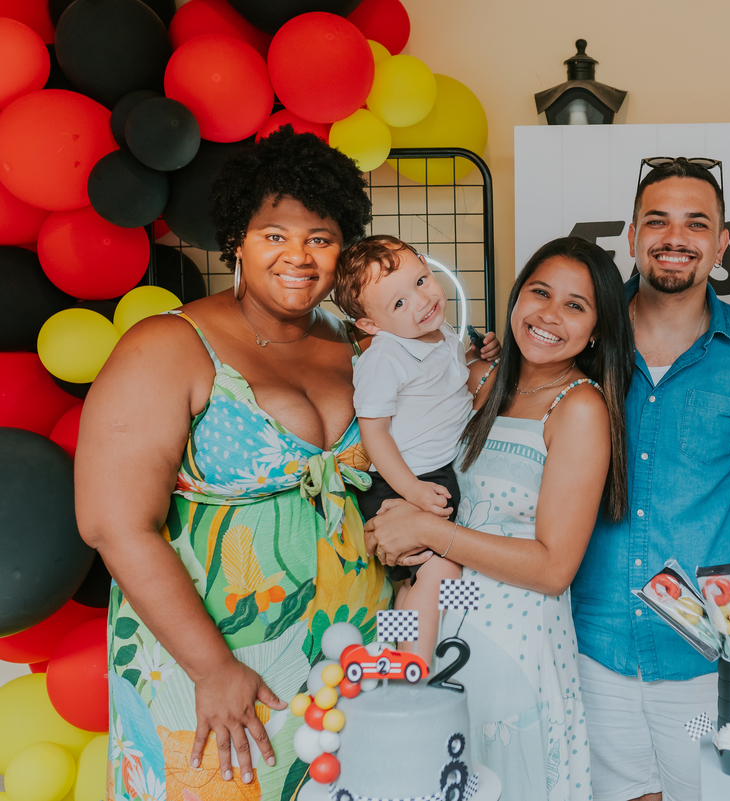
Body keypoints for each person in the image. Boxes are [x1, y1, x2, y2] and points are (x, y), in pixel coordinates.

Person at [76, 128, 393, 797]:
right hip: (218, 664)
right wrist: (211, 667)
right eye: (274, 234)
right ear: (236, 240)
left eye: (321, 237)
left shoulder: (359, 345)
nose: (298, 256)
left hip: (352, 656)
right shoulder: (169, 345)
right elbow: (114, 524)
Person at [363, 236, 633, 801]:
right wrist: (390, 526)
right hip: (438, 622)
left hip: (513, 648)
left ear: (597, 329)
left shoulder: (579, 408)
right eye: (539, 292)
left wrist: (428, 530)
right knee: (412, 764)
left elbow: (554, 569)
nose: (549, 315)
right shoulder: (477, 380)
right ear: (516, 297)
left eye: (575, 305)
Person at [571, 156, 730, 801]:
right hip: (592, 639)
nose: (676, 237)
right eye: (658, 220)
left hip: (711, 650)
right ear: (632, 237)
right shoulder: (582, 340)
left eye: (697, 223)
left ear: (722, 246)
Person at [331, 235, 497, 663]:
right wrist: (412, 491)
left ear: (426, 264)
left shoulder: (438, 332)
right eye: (399, 304)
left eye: (421, 281)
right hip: (402, 482)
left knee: (416, 581)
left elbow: (449, 380)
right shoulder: (384, 358)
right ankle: (417, 671)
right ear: (371, 325)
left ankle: (395, 650)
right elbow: (375, 435)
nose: (422, 302)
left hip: (437, 473)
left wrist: (477, 355)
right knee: (443, 570)